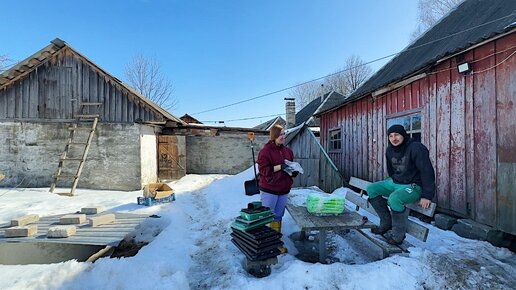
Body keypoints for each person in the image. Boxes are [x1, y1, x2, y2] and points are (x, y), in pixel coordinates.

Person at [367, 124, 435, 245]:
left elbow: (427, 171)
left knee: (395, 199)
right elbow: (391, 170)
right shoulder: (389, 150)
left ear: (403, 135)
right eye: (391, 136)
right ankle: (386, 222)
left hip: (413, 186)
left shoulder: (416, 148)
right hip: (395, 182)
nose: (394, 138)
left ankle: (398, 234)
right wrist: (392, 181)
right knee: (371, 188)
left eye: (397, 135)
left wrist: (427, 195)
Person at [257, 124, 297, 237]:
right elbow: (263, 170)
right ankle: (264, 240)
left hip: (283, 189)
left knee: (278, 215)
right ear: (274, 135)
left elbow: (289, 167)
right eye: (280, 134)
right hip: (269, 189)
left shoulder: (288, 151)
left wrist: (293, 172)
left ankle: (274, 239)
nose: (283, 136)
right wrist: (280, 166)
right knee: (267, 216)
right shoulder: (265, 151)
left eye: (284, 134)